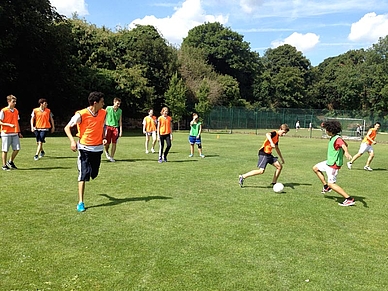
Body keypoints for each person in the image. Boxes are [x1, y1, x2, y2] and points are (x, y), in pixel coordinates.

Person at [64, 91, 107, 212]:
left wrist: (103, 138)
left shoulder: (103, 113)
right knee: (83, 174)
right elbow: (67, 127)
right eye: (102, 102)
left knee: (94, 174)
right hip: (84, 149)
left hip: (98, 149)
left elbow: (102, 126)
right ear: (95, 103)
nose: (103, 104)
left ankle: (89, 172)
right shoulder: (81, 114)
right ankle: (80, 202)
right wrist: (72, 141)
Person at [313, 120, 355, 206]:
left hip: (333, 165)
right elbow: (345, 144)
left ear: (330, 130)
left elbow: (343, 145)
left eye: (326, 129)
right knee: (315, 168)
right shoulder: (335, 137)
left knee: (332, 184)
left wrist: (346, 152)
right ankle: (326, 186)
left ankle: (349, 199)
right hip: (329, 162)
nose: (325, 131)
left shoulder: (337, 139)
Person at [0, 95, 23, 171]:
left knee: (17, 148)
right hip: (6, 133)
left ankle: (10, 161)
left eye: (15, 101)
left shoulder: (16, 111)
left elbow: (17, 122)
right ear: (9, 101)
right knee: (5, 150)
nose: (15, 103)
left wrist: (19, 132)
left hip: (15, 133)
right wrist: (8, 124)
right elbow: (0, 122)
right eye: (13, 101)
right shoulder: (4, 111)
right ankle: (4, 165)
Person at [104, 97, 122, 162]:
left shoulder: (120, 111)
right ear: (114, 102)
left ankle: (112, 157)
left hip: (115, 127)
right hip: (108, 126)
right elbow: (103, 116)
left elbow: (120, 121)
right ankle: (106, 151)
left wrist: (121, 130)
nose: (118, 105)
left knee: (114, 143)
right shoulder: (108, 108)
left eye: (119, 104)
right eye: (117, 103)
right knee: (107, 143)